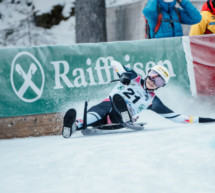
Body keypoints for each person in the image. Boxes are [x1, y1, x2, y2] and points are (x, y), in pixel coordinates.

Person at [62, 61, 215, 138]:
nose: (153, 81)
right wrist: (123, 75)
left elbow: (178, 118)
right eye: (153, 75)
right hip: (107, 104)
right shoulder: (134, 77)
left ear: (161, 86)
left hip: (124, 112)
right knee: (98, 111)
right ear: (148, 73)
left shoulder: (153, 101)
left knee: (117, 106)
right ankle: (73, 126)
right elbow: (114, 63)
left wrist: (206, 119)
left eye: (159, 81)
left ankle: (125, 114)